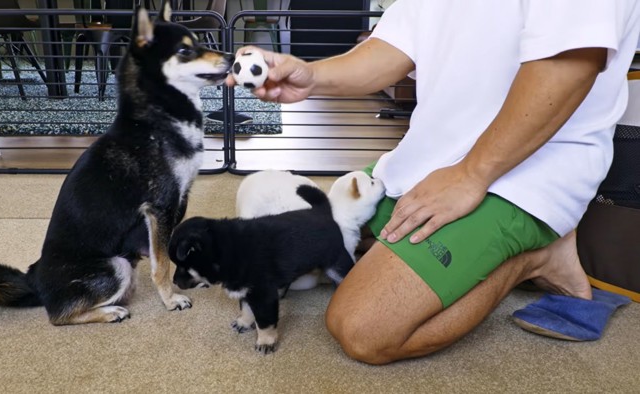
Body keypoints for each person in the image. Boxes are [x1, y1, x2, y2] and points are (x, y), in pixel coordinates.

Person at [226, 0, 640, 364]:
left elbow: (568, 65)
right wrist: (311, 76)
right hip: (429, 160)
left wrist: (471, 175)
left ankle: (537, 256)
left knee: (362, 327)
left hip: (525, 173)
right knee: (322, 231)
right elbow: (393, 48)